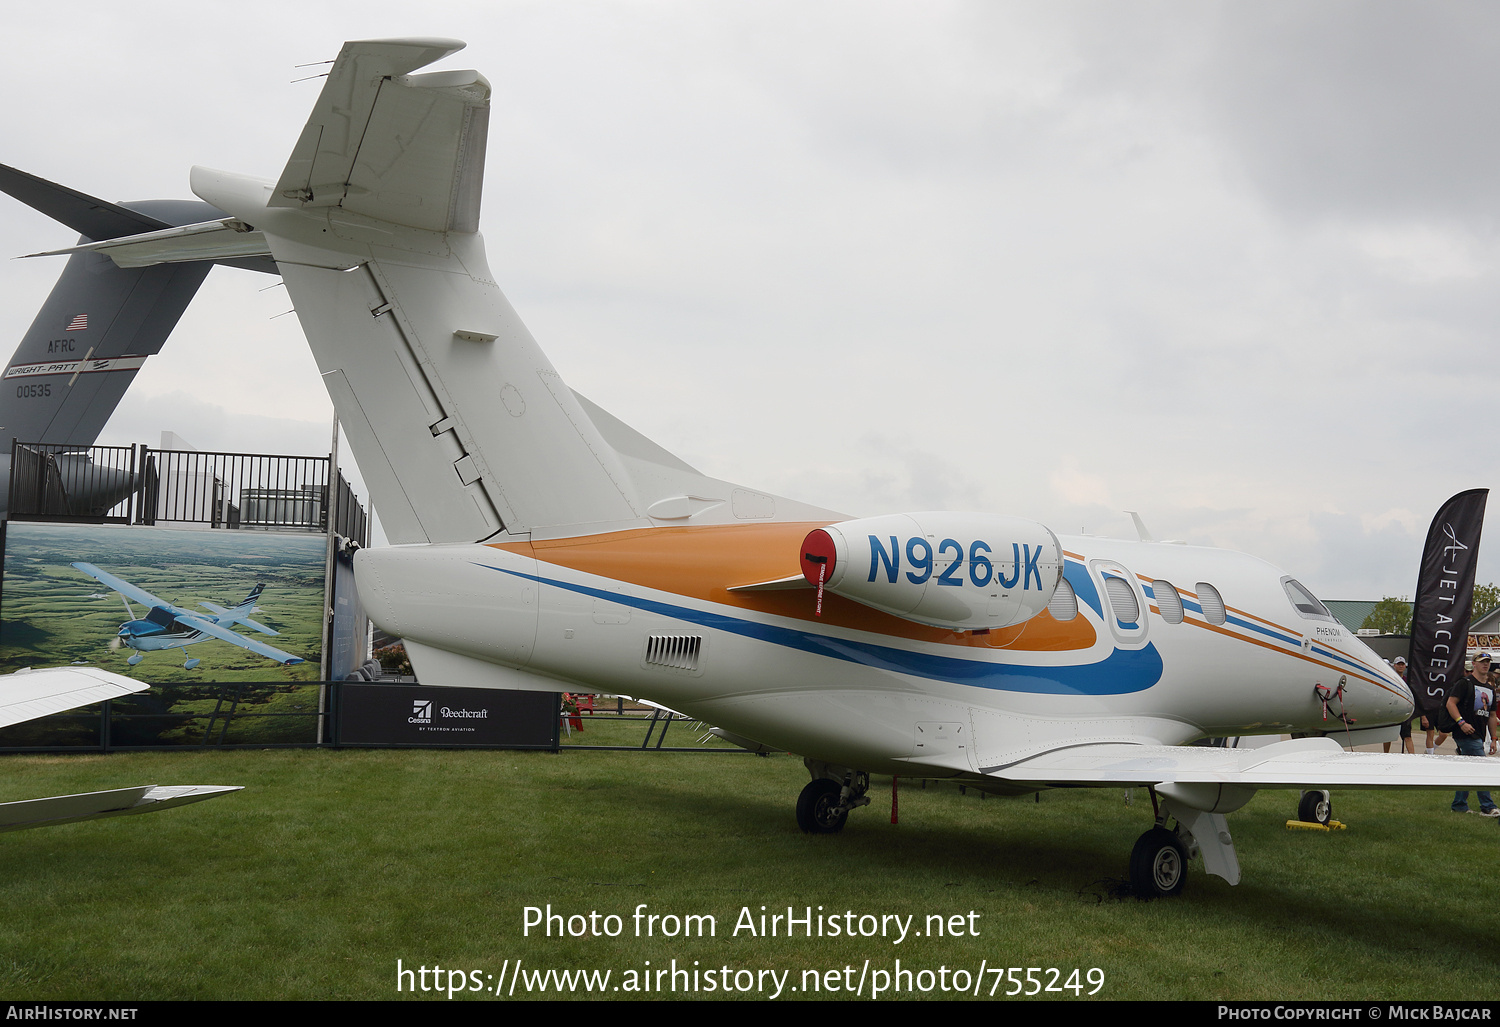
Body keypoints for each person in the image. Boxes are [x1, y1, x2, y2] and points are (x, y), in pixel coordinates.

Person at [1446, 652, 1499, 815]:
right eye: (1482, 661)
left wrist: (1494, 738)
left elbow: (1491, 715)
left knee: (1468, 770)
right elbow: (1450, 703)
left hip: (1480, 734)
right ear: (1474, 664)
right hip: (1465, 733)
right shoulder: (1465, 683)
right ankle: (1488, 806)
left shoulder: (1490, 689)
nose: (1486, 664)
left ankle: (1459, 804)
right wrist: (1461, 722)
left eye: (1488, 662)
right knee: (1481, 767)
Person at [1385, 656, 1417, 754]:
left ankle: (1412, 756)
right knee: (1388, 736)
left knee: (1407, 736)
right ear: (1394, 665)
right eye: (1398, 664)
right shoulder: (1390, 679)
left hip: (1404, 712)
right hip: (1392, 711)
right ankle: (1385, 754)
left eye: (1402, 664)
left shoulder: (1408, 681)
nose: (1400, 666)